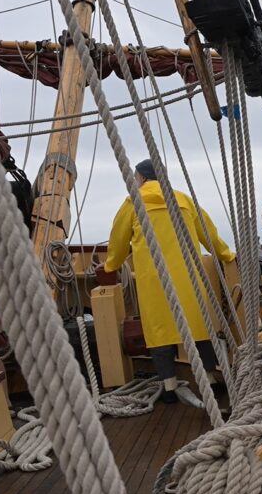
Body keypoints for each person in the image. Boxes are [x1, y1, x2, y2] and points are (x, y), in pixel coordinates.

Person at [101, 159, 235, 406]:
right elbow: (209, 234)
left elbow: (118, 243)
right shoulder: (183, 200)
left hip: (155, 282)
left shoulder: (132, 203)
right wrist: (226, 255)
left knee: (160, 332)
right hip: (187, 278)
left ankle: (170, 387)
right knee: (198, 328)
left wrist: (110, 266)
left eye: (136, 177)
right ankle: (210, 379)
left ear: (142, 178)